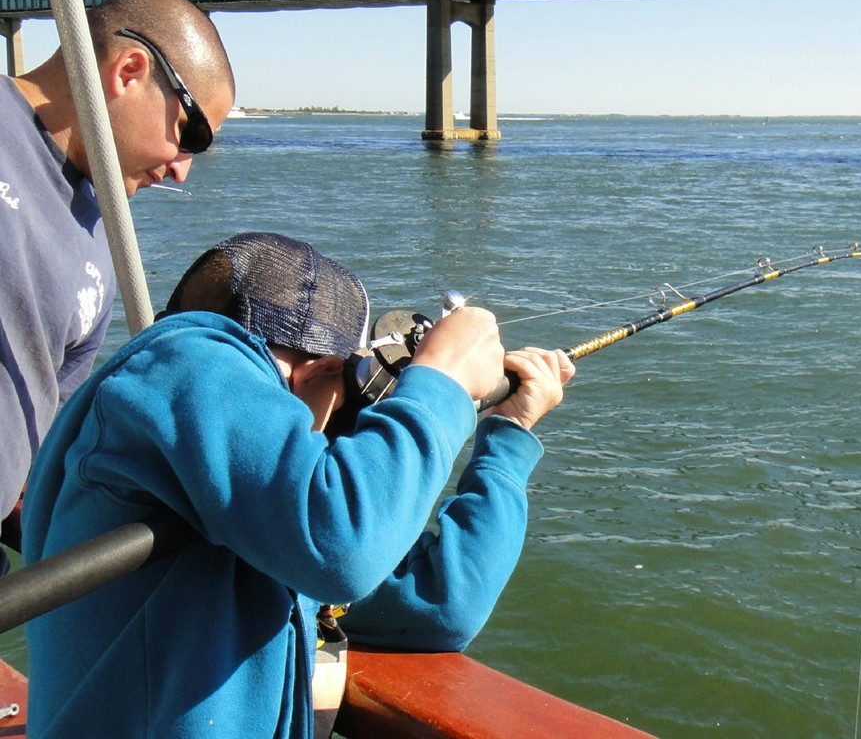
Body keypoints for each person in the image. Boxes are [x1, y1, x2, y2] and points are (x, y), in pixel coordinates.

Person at [23, 232, 575, 739]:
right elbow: (342, 545)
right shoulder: (183, 362)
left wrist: (507, 436)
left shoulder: (251, 496)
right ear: (312, 373)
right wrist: (442, 381)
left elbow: (436, 604)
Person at [0, 0, 234, 563]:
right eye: (191, 134)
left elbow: (41, 444)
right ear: (129, 71)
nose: (183, 170)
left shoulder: (102, 245)